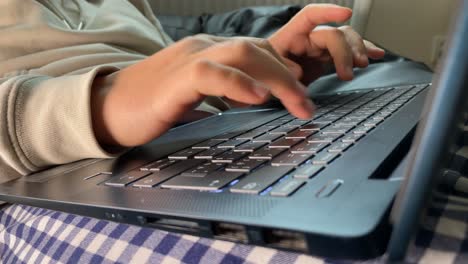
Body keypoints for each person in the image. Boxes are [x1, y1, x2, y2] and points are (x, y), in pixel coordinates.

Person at [0, 0, 385, 262]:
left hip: (198, 142)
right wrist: (100, 105)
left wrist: (250, 82)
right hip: (48, 175)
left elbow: (165, 80)